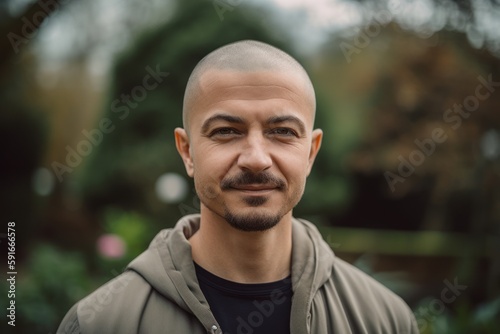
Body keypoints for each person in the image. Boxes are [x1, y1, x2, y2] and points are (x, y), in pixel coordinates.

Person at [58, 40, 419, 334]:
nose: (256, 158)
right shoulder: (98, 323)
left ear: (311, 152)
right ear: (187, 152)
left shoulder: (385, 321)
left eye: (282, 132)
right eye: (226, 131)